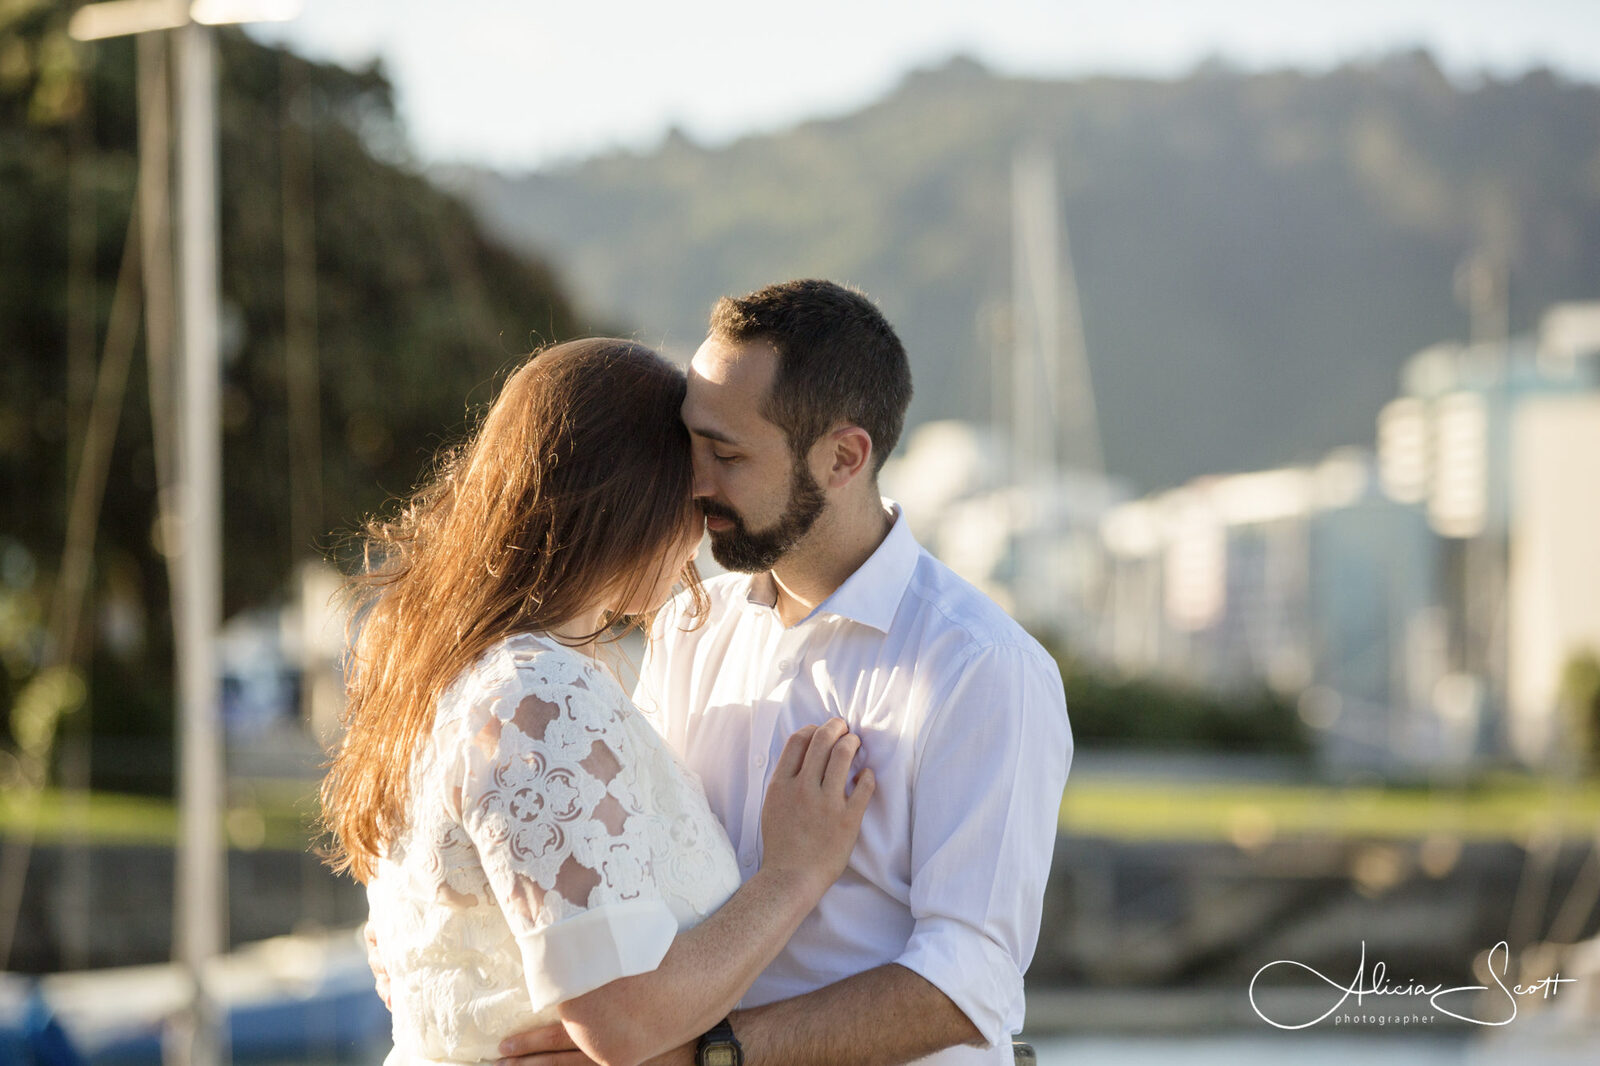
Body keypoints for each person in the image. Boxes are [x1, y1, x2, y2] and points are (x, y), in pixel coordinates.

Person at [497, 281, 1072, 1066]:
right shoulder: (688, 627)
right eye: (691, 446)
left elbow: (968, 983)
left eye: (727, 455)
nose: (694, 484)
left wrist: (710, 1058)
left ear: (844, 457)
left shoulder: (982, 668)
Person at [320, 337, 875, 1066]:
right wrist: (793, 875)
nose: (699, 538)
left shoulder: (441, 674)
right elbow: (621, 1022)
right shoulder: (535, 695)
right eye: (692, 500)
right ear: (634, 499)